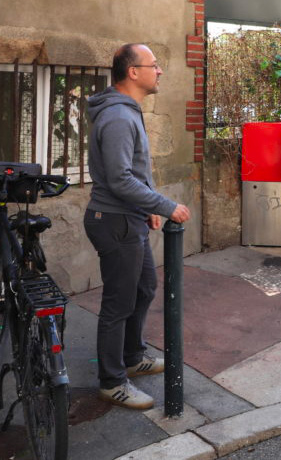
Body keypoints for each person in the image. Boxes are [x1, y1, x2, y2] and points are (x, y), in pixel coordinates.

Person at [84, 43, 191, 410]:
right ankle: (112, 381)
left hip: (129, 217)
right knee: (118, 303)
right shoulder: (117, 117)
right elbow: (118, 179)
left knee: (144, 287)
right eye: (154, 65)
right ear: (133, 72)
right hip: (114, 222)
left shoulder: (126, 111)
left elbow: (132, 173)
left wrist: (146, 204)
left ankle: (132, 355)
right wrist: (165, 204)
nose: (159, 71)